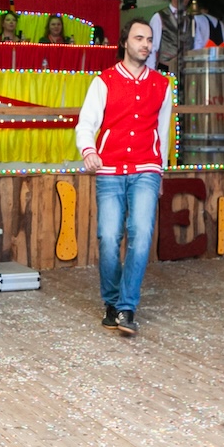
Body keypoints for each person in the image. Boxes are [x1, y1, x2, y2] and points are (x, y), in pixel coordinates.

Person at [75, 19, 172, 337]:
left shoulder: (162, 85)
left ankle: (127, 307)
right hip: (110, 169)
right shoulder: (103, 81)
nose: (145, 44)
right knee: (108, 237)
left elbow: (163, 133)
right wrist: (88, 150)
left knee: (141, 234)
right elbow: (86, 123)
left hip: (146, 168)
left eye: (149, 39)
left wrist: (160, 170)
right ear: (125, 42)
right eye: (139, 38)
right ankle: (112, 301)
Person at [150, 0, 212, 72]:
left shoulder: (192, 20)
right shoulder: (159, 17)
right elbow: (152, 48)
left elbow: (198, 45)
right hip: (165, 70)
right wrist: (150, 74)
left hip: (187, 71)